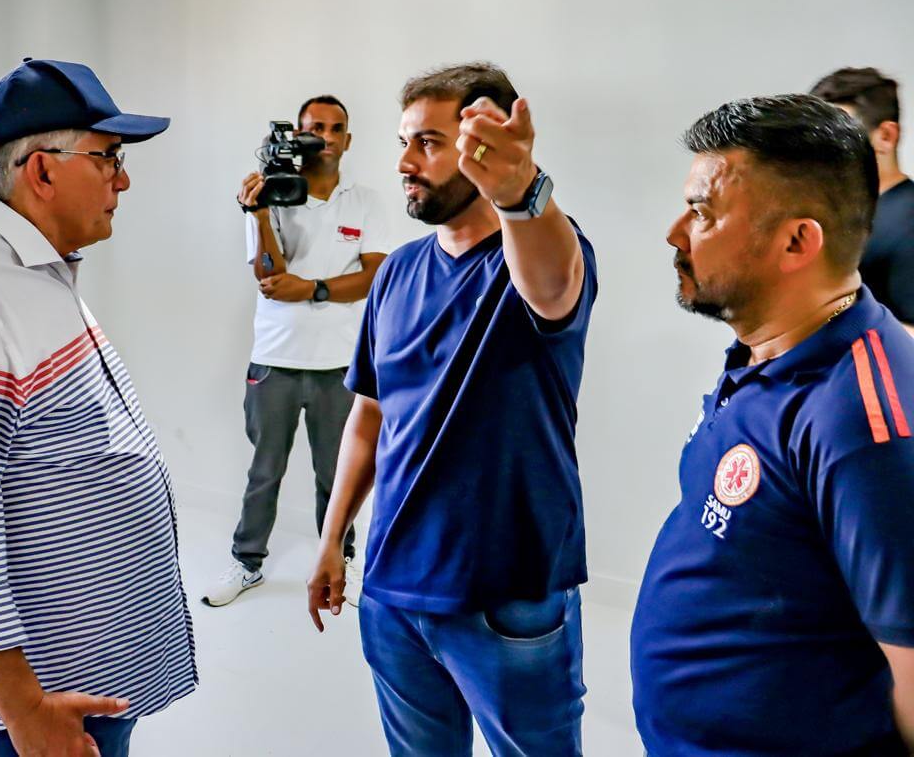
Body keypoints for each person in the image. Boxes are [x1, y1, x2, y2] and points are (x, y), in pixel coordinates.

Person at [0, 58, 197, 757]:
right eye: (108, 158)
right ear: (42, 171)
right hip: (43, 708)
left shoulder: (29, 268)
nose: (123, 181)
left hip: (84, 681)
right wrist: (25, 711)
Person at [307, 62, 597, 756]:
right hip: (392, 591)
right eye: (404, 141)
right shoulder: (396, 272)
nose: (405, 162)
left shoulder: (539, 252)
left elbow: (553, 285)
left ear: (484, 151)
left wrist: (521, 193)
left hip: (507, 598)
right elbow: (370, 416)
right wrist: (333, 536)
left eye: (429, 143)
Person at [631, 94, 914, 755]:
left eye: (702, 211)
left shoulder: (862, 422)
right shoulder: (766, 347)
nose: (675, 232)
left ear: (796, 242)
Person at [203, 95, 388, 608]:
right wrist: (260, 214)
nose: (324, 137)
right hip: (275, 358)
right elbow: (268, 275)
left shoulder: (365, 201)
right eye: (313, 128)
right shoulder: (271, 195)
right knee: (265, 472)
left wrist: (309, 288)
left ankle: (341, 560)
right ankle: (247, 564)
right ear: (296, 137)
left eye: (335, 128)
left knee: (338, 473)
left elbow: (374, 276)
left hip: (341, 363)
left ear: (347, 139)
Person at [812, 67, 914, 332]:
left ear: (886, 136)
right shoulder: (832, 216)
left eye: (839, 136)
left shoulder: (908, 220)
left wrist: (840, 315)